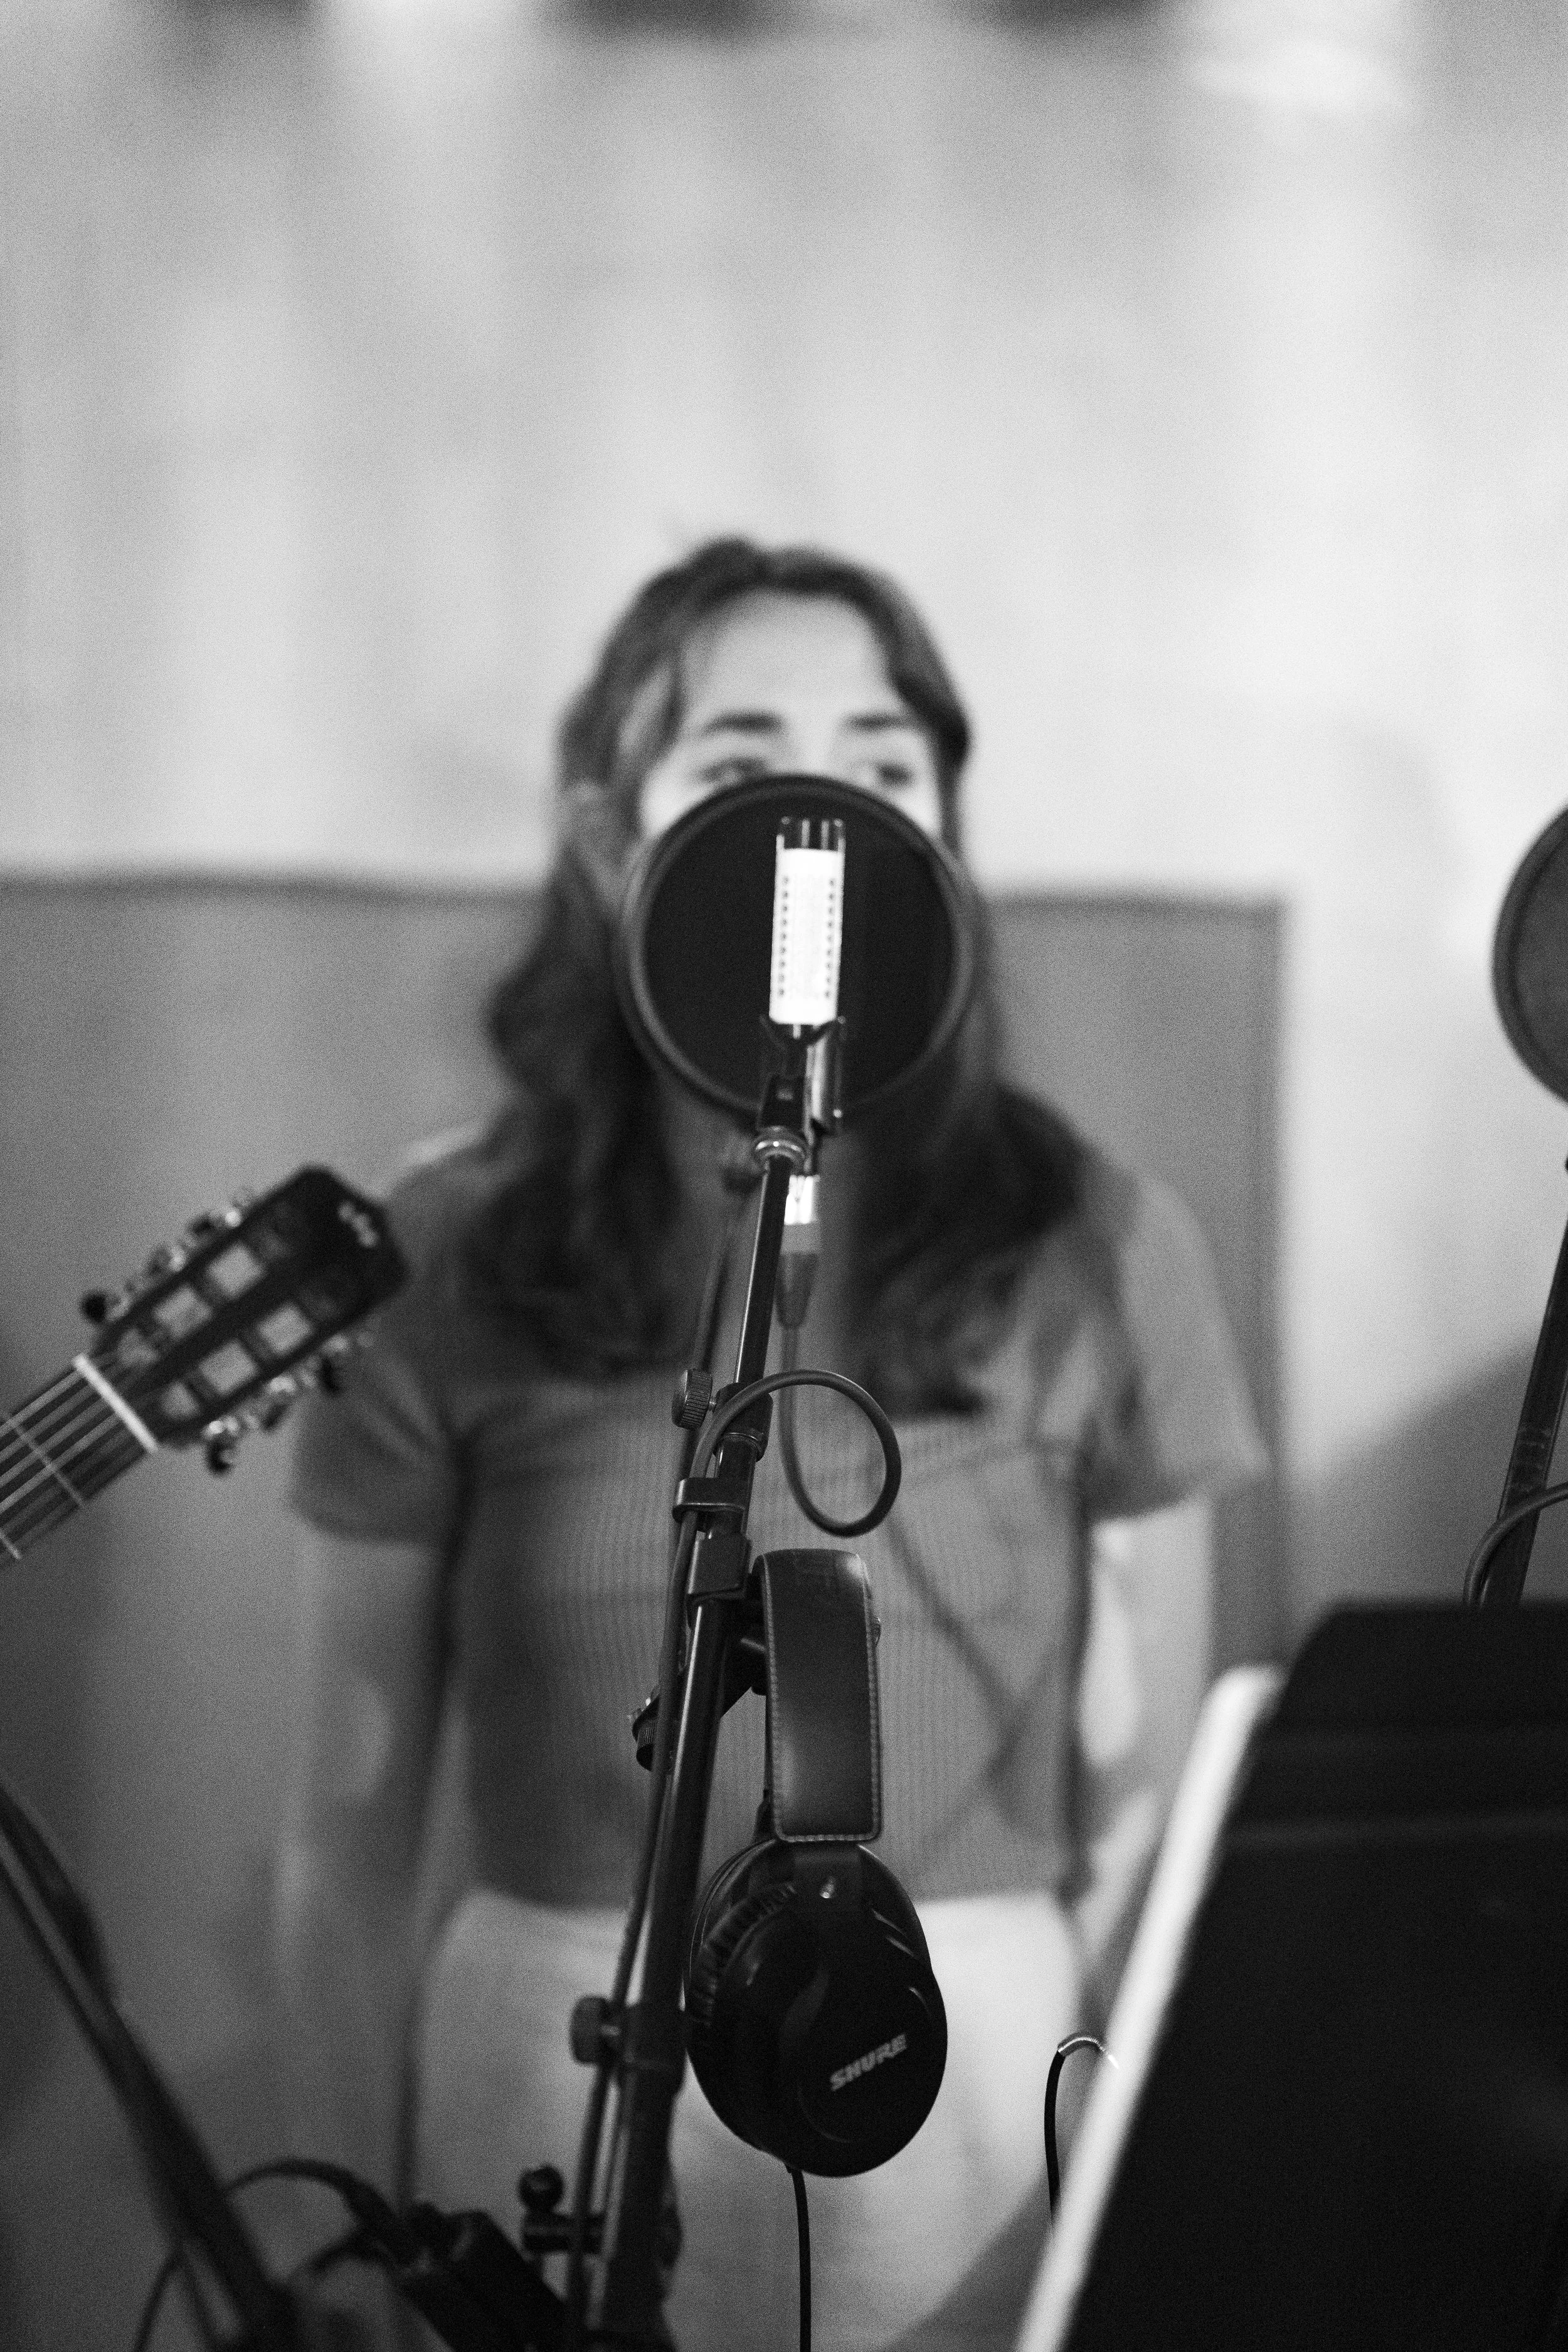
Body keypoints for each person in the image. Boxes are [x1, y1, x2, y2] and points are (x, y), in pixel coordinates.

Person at [276, 538, 1266, 2351]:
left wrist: (1098, 2171)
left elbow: (1147, 1814)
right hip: (551, 2060)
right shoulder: (449, 1244)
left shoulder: (1095, 1235)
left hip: (964, 2082)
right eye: (738, 766)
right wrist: (353, 2235)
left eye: (881, 768)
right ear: (607, 837)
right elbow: (347, 1827)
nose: (817, 813)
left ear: (941, 835)